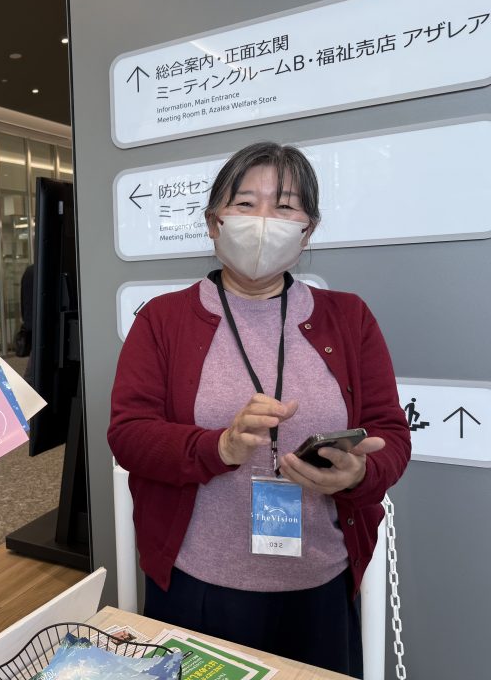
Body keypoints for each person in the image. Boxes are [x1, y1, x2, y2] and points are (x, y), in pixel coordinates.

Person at [108, 142, 411, 676]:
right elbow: (128, 433)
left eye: (285, 206)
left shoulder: (349, 317)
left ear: (308, 231)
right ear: (214, 222)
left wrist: (358, 475)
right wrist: (217, 447)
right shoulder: (162, 319)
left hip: (320, 582)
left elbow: (391, 434)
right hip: (197, 582)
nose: (265, 221)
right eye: (245, 204)